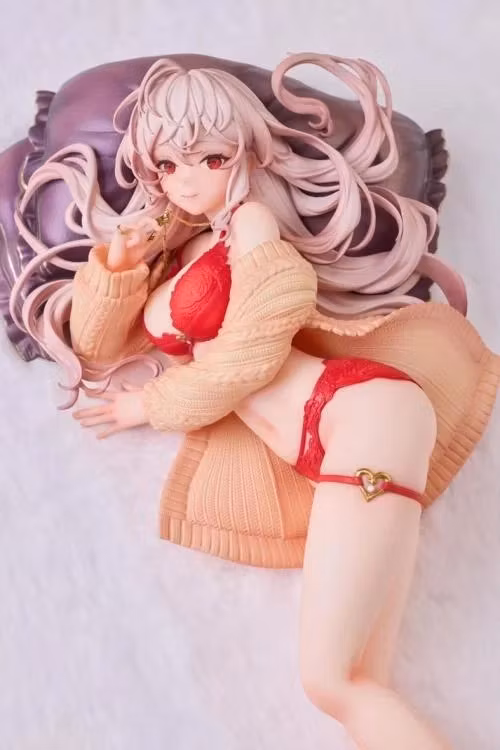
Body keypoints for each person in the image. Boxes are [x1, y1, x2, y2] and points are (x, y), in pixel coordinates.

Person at [9, 53, 500, 750]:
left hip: (357, 415)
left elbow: (251, 354)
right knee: (361, 681)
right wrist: (116, 268)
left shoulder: (255, 229)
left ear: (245, 149)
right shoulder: (181, 247)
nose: (187, 179)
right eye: (168, 165)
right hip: (336, 441)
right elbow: (97, 347)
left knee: (329, 681)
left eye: (209, 157)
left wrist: (150, 407)